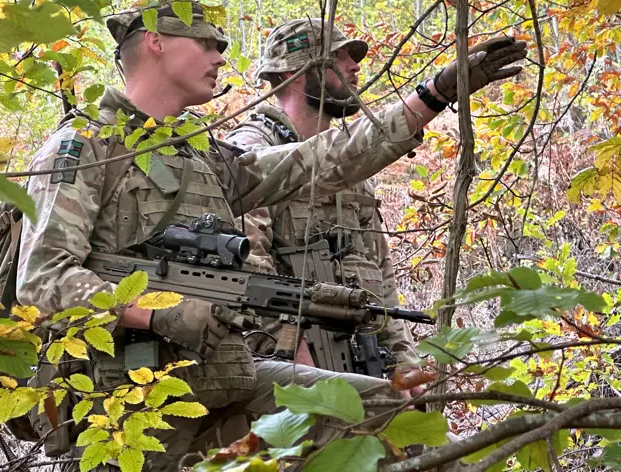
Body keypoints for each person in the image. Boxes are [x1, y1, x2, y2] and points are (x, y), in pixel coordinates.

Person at [15, 0, 526, 470]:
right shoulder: (84, 148)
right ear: (156, 41)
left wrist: (432, 96)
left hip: (215, 384)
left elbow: (319, 160)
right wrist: (157, 315)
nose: (219, 57)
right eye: (208, 43)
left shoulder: (199, 156)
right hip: (128, 413)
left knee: (378, 406)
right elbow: (42, 282)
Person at [225, 19, 526, 387]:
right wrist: (296, 365)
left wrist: (406, 367)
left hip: (358, 358)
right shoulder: (251, 149)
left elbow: (380, 278)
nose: (354, 66)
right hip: (293, 370)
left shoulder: (352, 167)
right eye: (339, 56)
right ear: (297, 71)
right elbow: (248, 270)